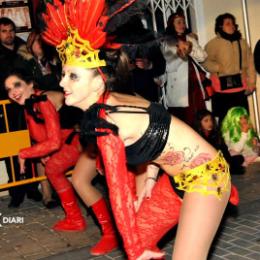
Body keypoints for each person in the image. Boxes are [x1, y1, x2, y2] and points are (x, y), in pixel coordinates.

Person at [41, 1, 235, 259]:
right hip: (176, 179)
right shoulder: (111, 100)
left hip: (207, 176)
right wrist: (152, 175)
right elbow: (159, 125)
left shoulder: (109, 121)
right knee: (140, 236)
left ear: (99, 80)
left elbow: (118, 192)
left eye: (73, 76)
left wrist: (132, 249)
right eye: (64, 74)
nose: (62, 82)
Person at [3, 68, 86, 231]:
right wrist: (43, 152)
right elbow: (40, 135)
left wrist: (25, 153)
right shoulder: (30, 102)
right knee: (55, 170)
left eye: (17, 85)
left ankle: (81, 220)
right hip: (70, 142)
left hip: (84, 141)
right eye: (8, 89)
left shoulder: (42, 100)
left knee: (65, 174)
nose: (13, 92)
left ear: (30, 84)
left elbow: (54, 142)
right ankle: (76, 218)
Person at [0, 16, 42, 208]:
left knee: (30, 144)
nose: (9, 34)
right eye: (4, 31)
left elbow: (33, 74)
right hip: (7, 109)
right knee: (11, 150)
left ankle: (32, 187)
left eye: (11, 30)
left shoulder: (23, 48)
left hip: (26, 105)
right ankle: (16, 191)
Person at [202, 13, 256, 123]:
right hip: (221, 90)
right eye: (228, 24)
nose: (232, 26)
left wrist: (251, 82)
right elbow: (204, 60)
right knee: (225, 122)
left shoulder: (243, 42)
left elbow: (251, 63)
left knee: (242, 121)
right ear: (220, 26)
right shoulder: (214, 44)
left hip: (240, 89)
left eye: (233, 24)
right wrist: (218, 67)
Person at [160, 11, 207, 126]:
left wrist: (191, 48)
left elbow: (203, 57)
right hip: (179, 86)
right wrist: (182, 54)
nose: (182, 25)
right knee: (184, 120)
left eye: (184, 22)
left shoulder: (189, 38)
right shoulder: (168, 42)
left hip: (194, 84)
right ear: (172, 25)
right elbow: (169, 67)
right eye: (179, 22)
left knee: (199, 116)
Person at [194, 109, 245, 175]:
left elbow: (224, 150)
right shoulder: (196, 135)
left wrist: (228, 161)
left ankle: (227, 169)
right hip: (207, 164)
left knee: (240, 158)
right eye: (206, 121)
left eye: (211, 120)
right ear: (199, 122)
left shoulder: (215, 133)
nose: (210, 123)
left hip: (220, 161)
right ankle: (228, 169)